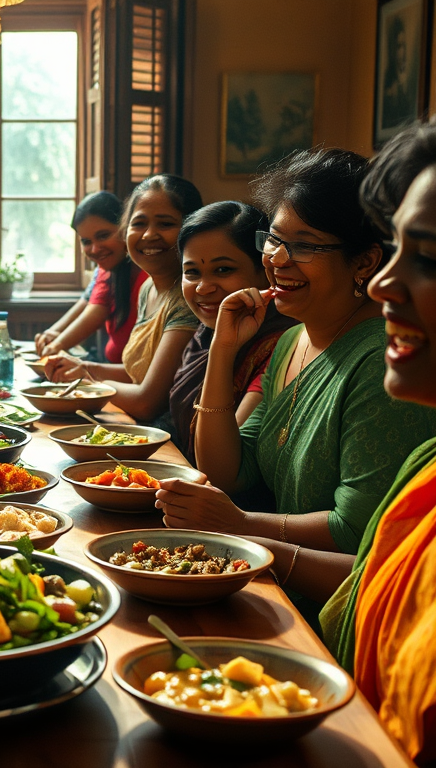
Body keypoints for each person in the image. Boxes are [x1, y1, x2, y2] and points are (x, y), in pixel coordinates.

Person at [153, 148, 436, 621]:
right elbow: (228, 471)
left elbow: (354, 531)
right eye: (274, 240)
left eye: (304, 246)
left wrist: (239, 526)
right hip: (273, 592)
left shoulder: (389, 361)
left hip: (321, 612)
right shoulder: (290, 341)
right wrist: (222, 350)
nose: (277, 260)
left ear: (364, 261)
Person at [45, 175, 202, 423]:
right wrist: (84, 367)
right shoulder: (148, 288)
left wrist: (90, 380)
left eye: (165, 224)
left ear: (191, 227)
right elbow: (138, 375)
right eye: (138, 223)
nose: (149, 235)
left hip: (171, 438)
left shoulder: (190, 297)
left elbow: (147, 402)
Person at [169, 202, 296, 464]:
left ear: (265, 271)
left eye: (223, 270)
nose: (203, 288)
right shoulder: (204, 333)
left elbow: (226, 464)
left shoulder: (282, 346)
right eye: (192, 272)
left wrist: (223, 349)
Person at [34, 192, 147, 364]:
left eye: (103, 236)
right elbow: (89, 305)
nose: (94, 249)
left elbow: (94, 313)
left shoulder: (149, 272)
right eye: (86, 241)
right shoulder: (106, 270)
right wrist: (52, 336)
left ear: (125, 228)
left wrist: (56, 345)